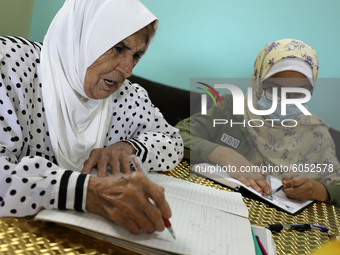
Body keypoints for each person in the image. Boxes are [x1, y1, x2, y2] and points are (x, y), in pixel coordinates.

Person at [0, 0, 183, 235]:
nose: (127, 70)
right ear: (82, 35)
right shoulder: (9, 67)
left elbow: (172, 142)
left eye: (136, 55)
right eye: (118, 47)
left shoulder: (125, 95)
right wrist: (88, 191)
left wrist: (129, 147)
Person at [176, 38, 340, 206]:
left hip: (284, 225)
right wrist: (224, 154)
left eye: (298, 93)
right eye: (276, 89)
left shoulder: (316, 132)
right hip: (217, 206)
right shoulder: (232, 109)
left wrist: (316, 189)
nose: (286, 100)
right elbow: (176, 136)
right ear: (259, 81)